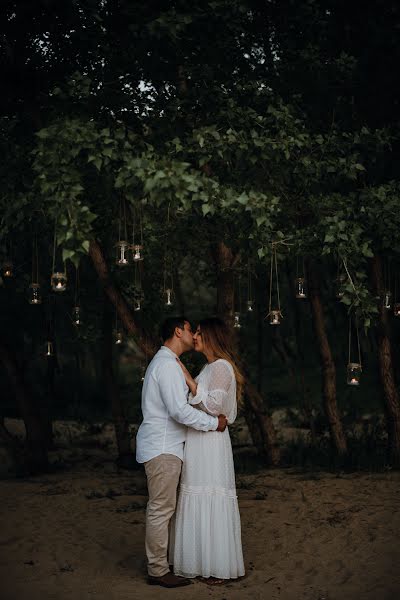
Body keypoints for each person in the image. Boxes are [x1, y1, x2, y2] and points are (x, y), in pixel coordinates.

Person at [136, 316, 228, 589]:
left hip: (167, 446)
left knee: (163, 507)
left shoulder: (170, 364)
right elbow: (178, 410)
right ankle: (158, 570)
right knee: (161, 508)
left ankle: (161, 565)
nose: (194, 334)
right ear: (178, 331)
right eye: (190, 329)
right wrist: (214, 424)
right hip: (163, 448)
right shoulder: (165, 365)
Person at [172, 317, 245, 583]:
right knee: (196, 493)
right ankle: (202, 563)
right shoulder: (209, 367)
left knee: (211, 494)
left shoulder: (222, 368)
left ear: (212, 337)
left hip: (212, 443)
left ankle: (219, 567)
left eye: (200, 333)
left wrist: (189, 380)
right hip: (199, 441)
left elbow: (214, 407)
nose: (196, 337)